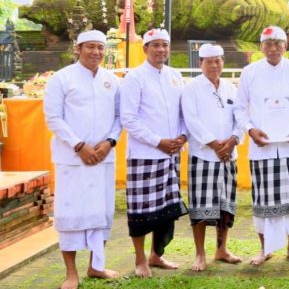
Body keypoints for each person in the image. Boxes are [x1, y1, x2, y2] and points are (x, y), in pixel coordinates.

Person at [43, 30, 121, 289]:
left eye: (100, 47)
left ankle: (96, 266)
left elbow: (121, 117)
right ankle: (71, 273)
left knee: (102, 213)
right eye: (90, 47)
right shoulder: (62, 78)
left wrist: (109, 142)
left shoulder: (112, 80)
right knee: (71, 214)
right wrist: (79, 145)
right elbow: (53, 117)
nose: (96, 52)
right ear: (78, 49)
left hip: (103, 158)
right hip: (72, 159)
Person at [235, 25, 289, 266]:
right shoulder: (249, 72)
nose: (273, 47)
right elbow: (239, 108)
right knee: (263, 200)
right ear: (261, 47)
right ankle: (264, 248)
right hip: (263, 147)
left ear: (286, 45)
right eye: (268, 43)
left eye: (278, 42)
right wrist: (250, 130)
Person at [120, 27, 188, 277]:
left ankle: (156, 255)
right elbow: (129, 118)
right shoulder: (134, 78)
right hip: (144, 155)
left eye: (165, 45)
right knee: (141, 211)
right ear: (145, 49)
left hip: (171, 153)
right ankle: (140, 260)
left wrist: (182, 137)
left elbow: (184, 112)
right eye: (156, 45)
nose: (161, 49)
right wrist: (157, 141)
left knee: (166, 210)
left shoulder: (175, 75)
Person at [181, 43, 243, 271]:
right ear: (201, 64)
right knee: (200, 209)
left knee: (225, 207)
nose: (215, 65)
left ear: (223, 62)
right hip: (203, 156)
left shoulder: (231, 88)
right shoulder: (192, 88)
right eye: (209, 61)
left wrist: (233, 140)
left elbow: (240, 117)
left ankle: (222, 249)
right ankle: (199, 254)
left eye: (218, 60)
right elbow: (191, 120)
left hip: (229, 156)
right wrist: (215, 144)